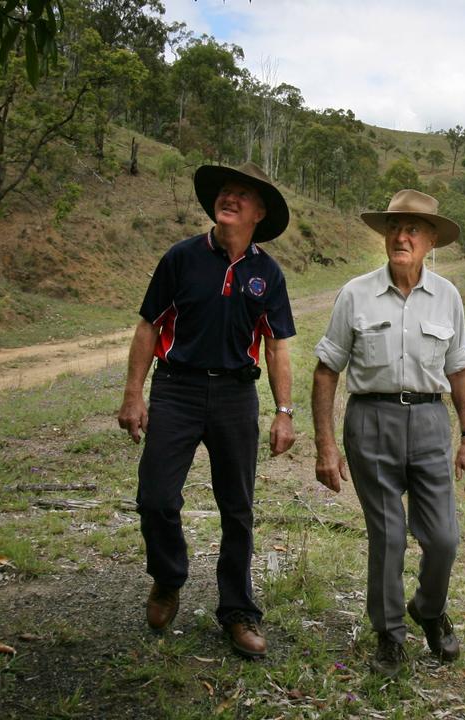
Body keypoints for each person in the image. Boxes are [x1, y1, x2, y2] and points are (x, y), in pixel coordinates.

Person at [116, 162, 297, 659]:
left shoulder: (267, 273)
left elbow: (278, 346)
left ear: (259, 214)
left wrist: (284, 410)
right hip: (176, 389)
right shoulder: (181, 258)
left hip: (237, 396)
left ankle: (238, 611)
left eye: (242, 196)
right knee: (155, 497)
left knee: (237, 510)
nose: (230, 199)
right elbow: (148, 327)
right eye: (226, 193)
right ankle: (169, 578)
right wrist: (134, 393)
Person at [312, 189, 465, 676]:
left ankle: (428, 610)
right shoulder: (355, 293)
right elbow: (327, 370)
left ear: (431, 240)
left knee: (444, 538)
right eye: (394, 227)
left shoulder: (447, 297)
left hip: (430, 423)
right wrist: (325, 444)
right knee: (387, 536)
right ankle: (389, 633)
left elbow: (461, 370)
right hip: (370, 421)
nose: (401, 236)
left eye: (412, 229)